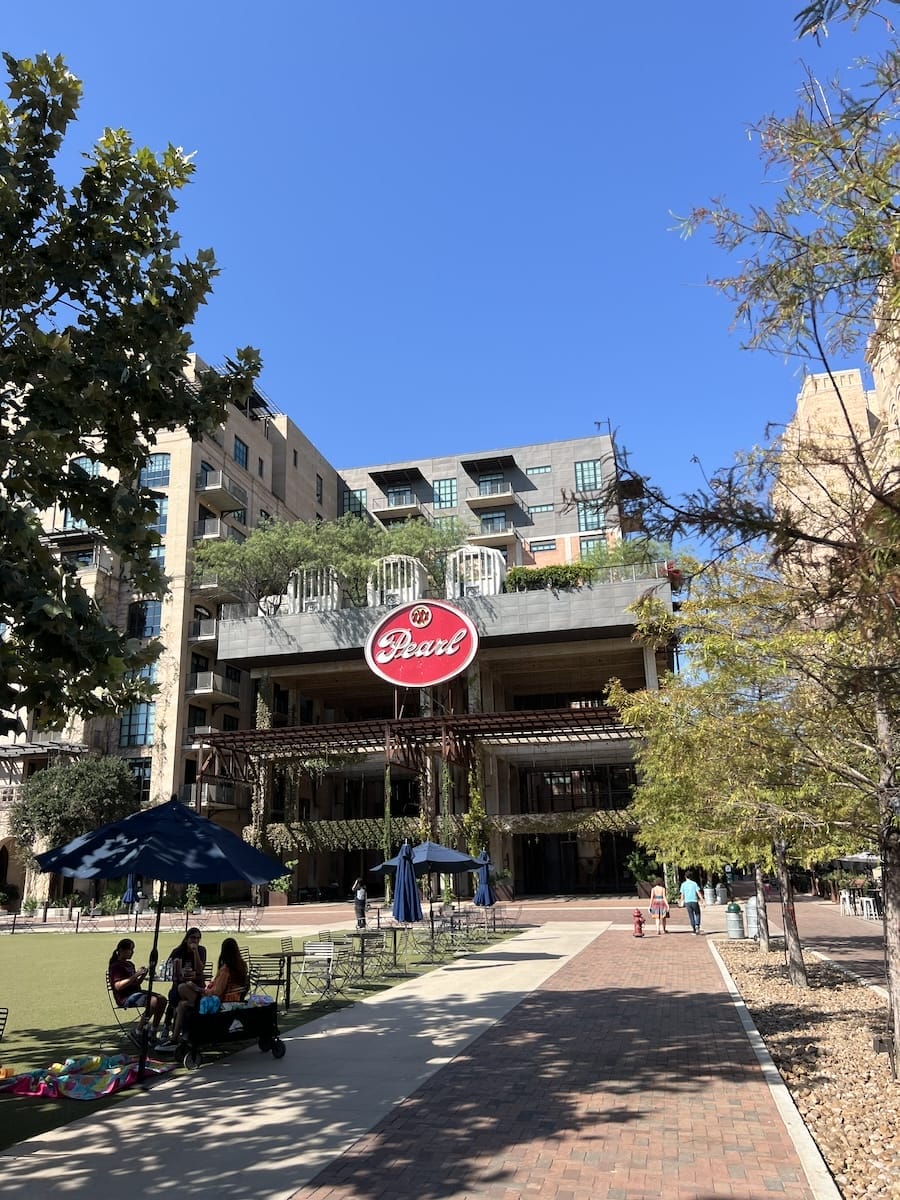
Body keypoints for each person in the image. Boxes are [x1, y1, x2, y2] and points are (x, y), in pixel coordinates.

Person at [169, 937, 249, 1045]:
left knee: (182, 988)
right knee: (182, 1004)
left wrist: (199, 989)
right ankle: (177, 1037)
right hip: (232, 999)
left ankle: (177, 1037)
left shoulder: (226, 969)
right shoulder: (242, 966)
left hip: (218, 1002)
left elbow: (218, 992)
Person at [107, 938, 166, 1043]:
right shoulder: (116, 966)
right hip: (125, 997)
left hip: (137, 993)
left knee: (162, 999)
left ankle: (153, 1031)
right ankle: (138, 1031)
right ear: (121, 950)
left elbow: (136, 983)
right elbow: (118, 986)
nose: (132, 952)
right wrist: (135, 975)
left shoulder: (130, 964)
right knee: (153, 1001)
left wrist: (142, 975)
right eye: (130, 949)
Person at [162, 927, 207, 1035]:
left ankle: (178, 1028)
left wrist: (195, 952)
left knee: (181, 1000)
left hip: (196, 985)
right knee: (175, 995)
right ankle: (168, 1026)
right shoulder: (177, 951)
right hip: (179, 984)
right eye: (192, 937)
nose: (195, 940)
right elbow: (170, 969)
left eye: (197, 938)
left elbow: (200, 969)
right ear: (186, 939)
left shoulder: (201, 950)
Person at [679, 870, 704, 934]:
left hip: (687, 902)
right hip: (694, 900)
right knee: (697, 913)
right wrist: (702, 900)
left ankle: (693, 929)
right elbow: (698, 892)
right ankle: (697, 925)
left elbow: (682, 894)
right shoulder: (694, 883)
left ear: (685, 877)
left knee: (691, 915)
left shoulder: (683, 884)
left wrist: (681, 901)